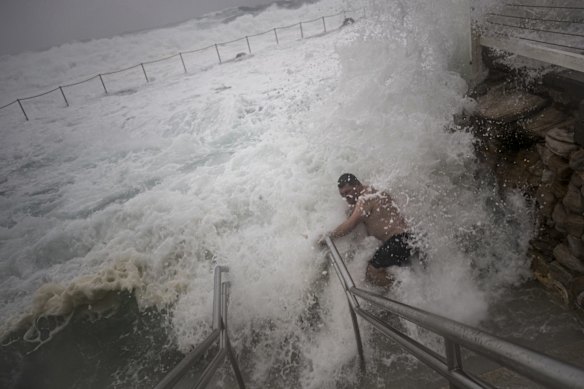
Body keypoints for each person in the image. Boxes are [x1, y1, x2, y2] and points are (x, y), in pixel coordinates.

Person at [320, 173, 415, 286]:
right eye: (342, 195)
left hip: (398, 240)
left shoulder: (365, 199)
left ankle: (401, 289)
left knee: (371, 273)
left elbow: (350, 225)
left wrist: (328, 236)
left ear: (357, 185)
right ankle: (408, 286)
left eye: (348, 192)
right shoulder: (374, 192)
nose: (346, 197)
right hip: (409, 239)